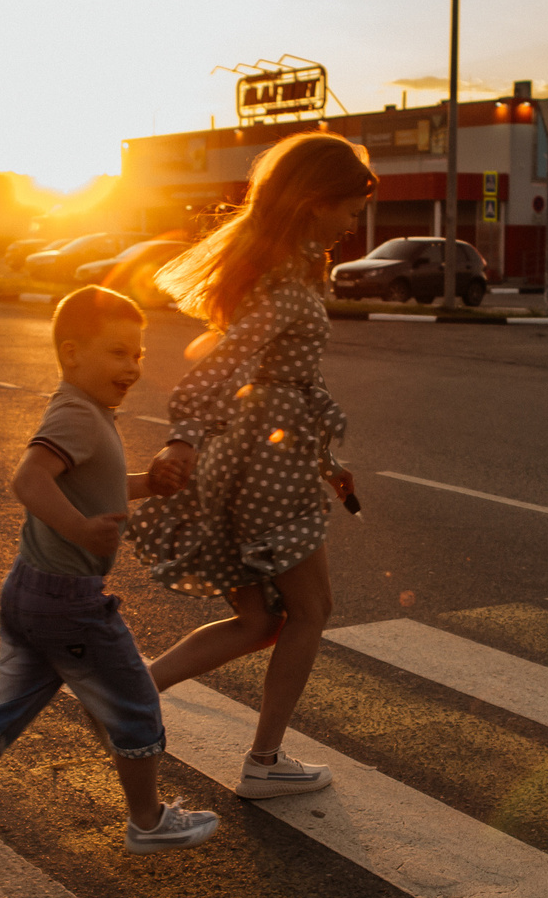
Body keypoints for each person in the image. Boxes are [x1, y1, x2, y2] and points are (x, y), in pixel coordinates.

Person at [0, 286, 213, 898]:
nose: (133, 367)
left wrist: (148, 484)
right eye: (118, 352)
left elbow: (90, 485)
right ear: (72, 352)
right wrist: (80, 530)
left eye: (138, 354)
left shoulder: (84, 411)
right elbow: (28, 479)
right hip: (69, 602)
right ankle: (147, 821)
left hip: (29, 593)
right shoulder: (77, 415)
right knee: (137, 703)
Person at [130, 131, 370, 799]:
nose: (354, 223)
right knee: (312, 610)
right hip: (270, 469)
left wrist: (327, 460)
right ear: (315, 201)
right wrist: (182, 437)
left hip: (263, 459)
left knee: (262, 622)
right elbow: (221, 369)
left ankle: (131, 694)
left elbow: (287, 384)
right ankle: (265, 762)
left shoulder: (287, 274)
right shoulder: (284, 286)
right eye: (349, 208)